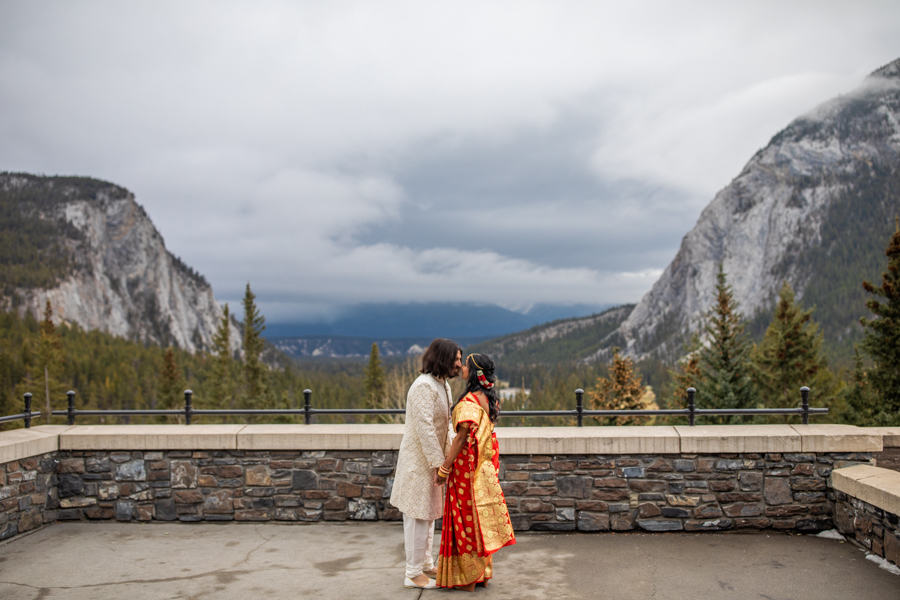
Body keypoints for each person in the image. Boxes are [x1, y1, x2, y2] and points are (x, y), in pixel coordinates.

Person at [435, 353, 516, 591]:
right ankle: (482, 573)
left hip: (466, 471)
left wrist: (444, 468)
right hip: (485, 468)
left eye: (466, 365)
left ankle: (466, 576)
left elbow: (460, 439)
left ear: (476, 373)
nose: (462, 368)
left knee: (465, 521)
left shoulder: (470, 402)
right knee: (479, 520)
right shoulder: (490, 400)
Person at [390, 338, 462, 590]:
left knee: (429, 514)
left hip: (430, 463)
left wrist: (448, 458)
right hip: (418, 464)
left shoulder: (441, 385)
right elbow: (425, 429)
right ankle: (412, 573)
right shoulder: (423, 386)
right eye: (456, 359)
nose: (459, 365)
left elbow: (446, 426)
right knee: (417, 517)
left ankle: (425, 564)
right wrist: (440, 464)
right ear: (443, 358)